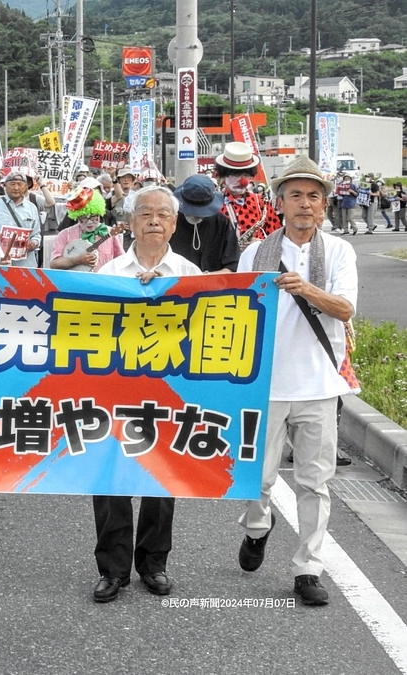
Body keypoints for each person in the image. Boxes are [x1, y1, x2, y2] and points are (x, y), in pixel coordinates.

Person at [236, 155, 358, 606]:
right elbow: (237, 312)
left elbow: (345, 309)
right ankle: (257, 527)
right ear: (280, 203)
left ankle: (308, 568)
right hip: (265, 386)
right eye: (295, 196)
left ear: (324, 205)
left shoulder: (339, 252)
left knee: (314, 483)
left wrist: (305, 287)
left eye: (313, 196)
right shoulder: (255, 253)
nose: (305, 204)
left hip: (320, 387)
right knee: (257, 480)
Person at [91, 185, 202, 603]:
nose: (154, 221)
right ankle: (112, 569)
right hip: (114, 390)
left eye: (162, 214)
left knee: (161, 476)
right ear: (130, 222)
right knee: (109, 476)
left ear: (174, 224)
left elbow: (206, 329)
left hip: (168, 392)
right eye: (145, 214)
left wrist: (166, 294)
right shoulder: (109, 274)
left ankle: (154, 563)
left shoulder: (191, 275)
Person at [215, 142, 282, 246]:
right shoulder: (214, 204)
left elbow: (277, 238)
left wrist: (260, 243)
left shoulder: (261, 202)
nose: (243, 181)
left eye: (246, 175)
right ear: (224, 176)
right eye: (236, 175)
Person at [170, 174, 240, 273]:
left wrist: (205, 277)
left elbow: (232, 266)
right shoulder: (169, 222)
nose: (195, 215)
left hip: (214, 281)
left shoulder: (222, 223)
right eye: (191, 211)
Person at [50, 185, 123, 272]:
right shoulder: (65, 234)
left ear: (99, 214)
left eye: (93, 216)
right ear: (77, 216)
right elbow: (54, 264)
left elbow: (122, 261)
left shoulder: (110, 233)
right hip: (75, 279)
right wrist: (77, 260)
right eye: (84, 217)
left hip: (104, 279)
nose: (89, 222)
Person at [0, 171, 42, 268]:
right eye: (12, 184)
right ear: (5, 186)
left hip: (25, 264)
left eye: (20, 184)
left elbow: (36, 234)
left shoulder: (32, 208)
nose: (16, 188)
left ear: (26, 187)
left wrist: (34, 243)